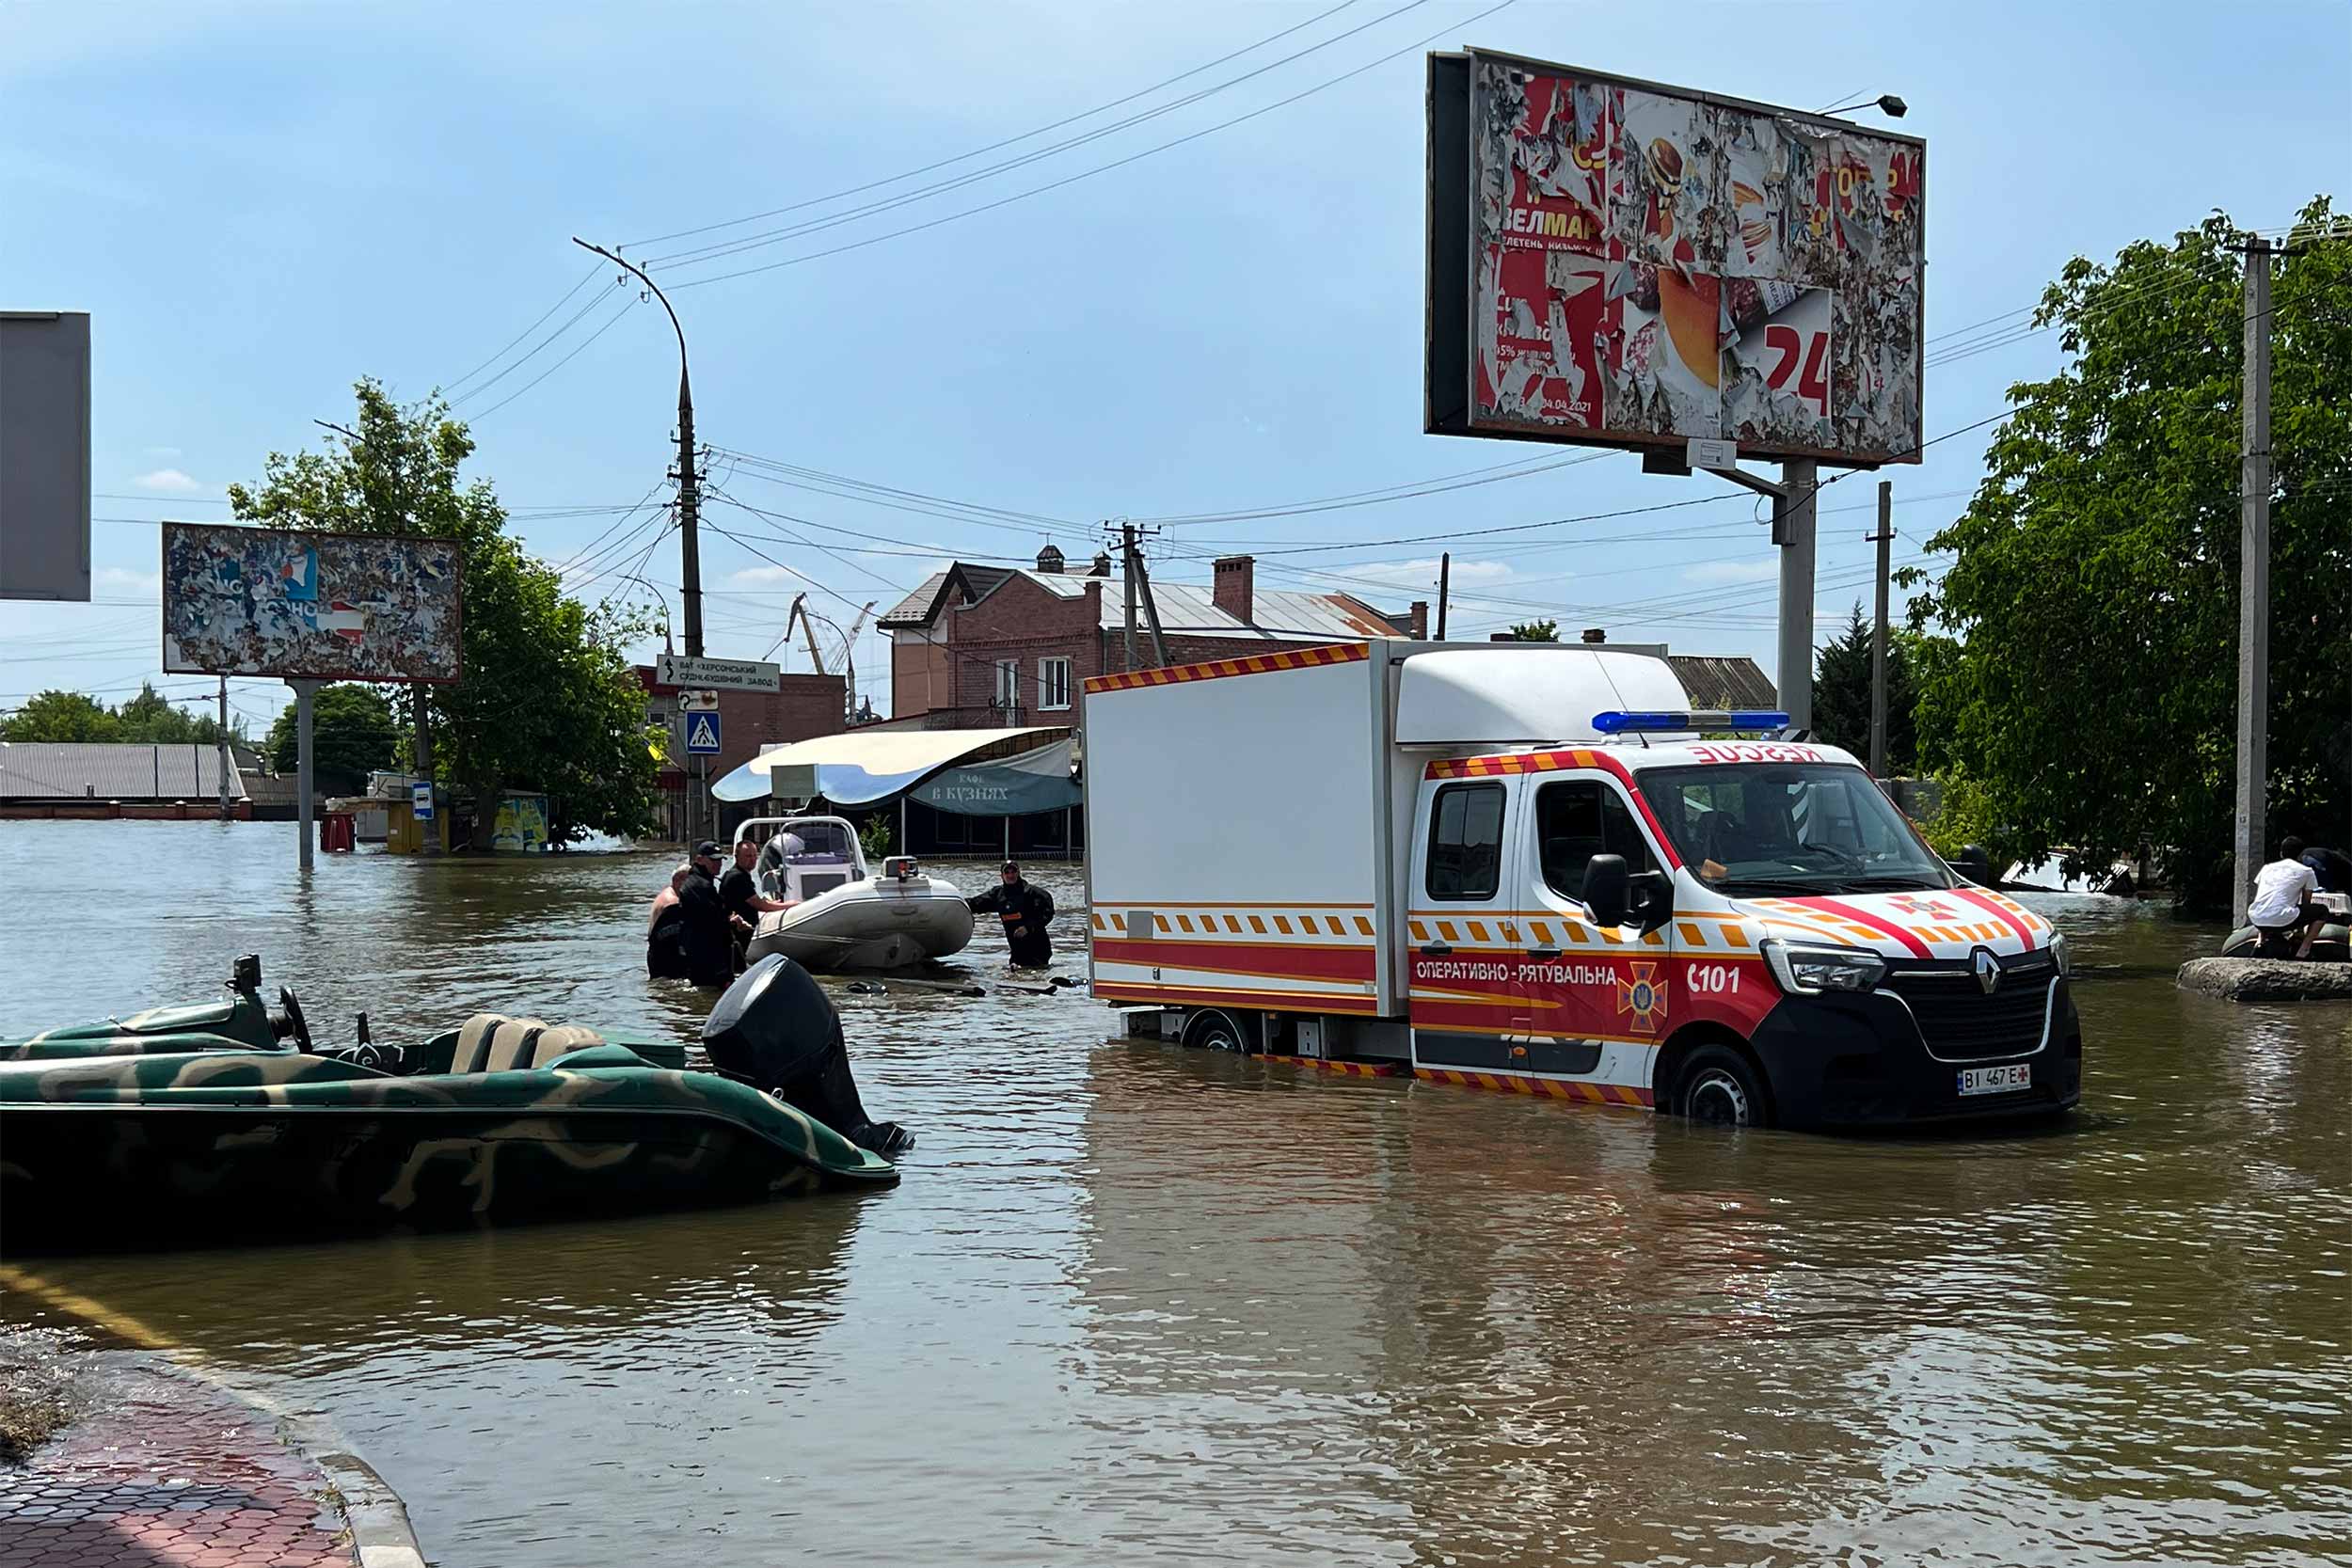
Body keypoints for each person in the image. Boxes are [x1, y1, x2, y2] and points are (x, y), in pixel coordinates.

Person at [2249, 836, 2327, 958]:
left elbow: (2264, 896)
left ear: (2281, 853)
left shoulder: (2266, 868)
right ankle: (2304, 950)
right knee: (2322, 911)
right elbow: (2307, 902)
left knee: (2266, 903)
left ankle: (2259, 943)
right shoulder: (2306, 871)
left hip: (2256, 918)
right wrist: (2300, 930)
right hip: (2282, 919)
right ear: (2301, 855)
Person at [675, 842, 739, 988]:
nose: (718, 864)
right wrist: (732, 922)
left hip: (704, 951)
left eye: (720, 860)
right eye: (713, 860)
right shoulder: (699, 885)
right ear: (700, 860)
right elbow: (712, 921)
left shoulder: (703, 882)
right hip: (707, 954)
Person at [968, 860, 1055, 967]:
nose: (1010, 875)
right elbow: (976, 904)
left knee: (1033, 976)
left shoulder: (1033, 893)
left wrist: (1028, 927)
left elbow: (1048, 912)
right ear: (1002, 875)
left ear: (1018, 873)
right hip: (1017, 951)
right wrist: (957, 903)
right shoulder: (998, 895)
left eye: (1013, 872)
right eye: (1007, 872)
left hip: (1038, 949)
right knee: (1014, 975)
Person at [721, 838, 794, 963]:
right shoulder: (737, 877)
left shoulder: (741, 875)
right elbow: (759, 905)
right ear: (737, 857)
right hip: (737, 933)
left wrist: (775, 903)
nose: (753, 859)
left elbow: (754, 900)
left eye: (755, 855)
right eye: (748, 856)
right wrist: (790, 905)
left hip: (742, 932)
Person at [645, 863, 693, 980]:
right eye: (691, 882)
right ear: (678, 880)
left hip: (656, 953)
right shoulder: (672, 902)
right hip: (664, 957)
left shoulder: (668, 892)